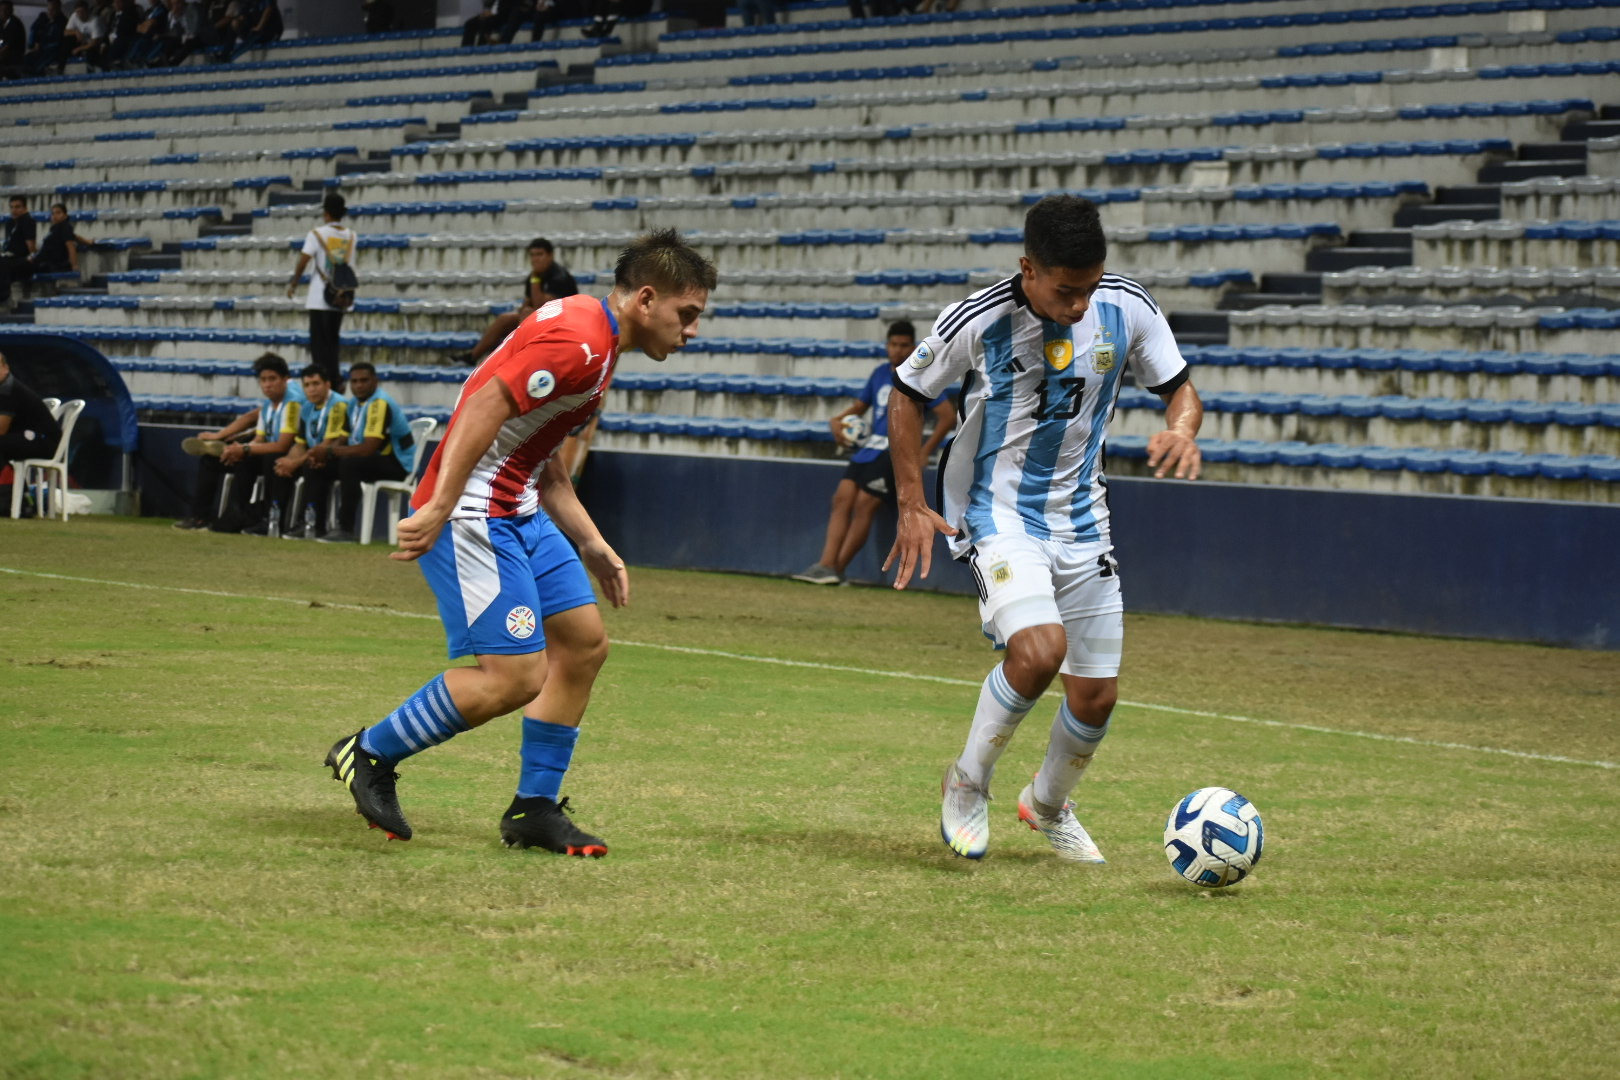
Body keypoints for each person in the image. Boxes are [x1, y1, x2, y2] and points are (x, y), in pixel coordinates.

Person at [320, 228, 715, 856]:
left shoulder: (598, 338)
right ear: (645, 299)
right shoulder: (583, 341)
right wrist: (442, 505)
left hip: (520, 502)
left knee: (583, 646)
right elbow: (482, 406)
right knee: (515, 678)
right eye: (686, 313)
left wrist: (591, 543)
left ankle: (533, 808)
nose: (693, 329)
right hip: (476, 512)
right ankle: (368, 752)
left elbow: (539, 450)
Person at [883, 194, 1203, 865]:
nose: (1081, 305)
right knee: (1037, 651)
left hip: (1085, 521)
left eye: (1089, 288)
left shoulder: (1127, 306)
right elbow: (907, 396)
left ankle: (1048, 804)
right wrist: (911, 499)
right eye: (1066, 290)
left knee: (1096, 695)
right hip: (1001, 514)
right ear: (1028, 269)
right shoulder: (978, 318)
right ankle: (969, 782)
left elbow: (1180, 387)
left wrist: (1181, 428)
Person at [792, 319, 956, 586]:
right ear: (886, 346)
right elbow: (859, 406)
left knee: (864, 504)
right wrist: (838, 420)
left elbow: (947, 416)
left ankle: (838, 569)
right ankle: (825, 565)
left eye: (904, 345)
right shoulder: (880, 373)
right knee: (841, 499)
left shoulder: (919, 374)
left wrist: (924, 451)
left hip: (894, 452)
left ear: (913, 347)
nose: (898, 350)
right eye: (893, 344)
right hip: (868, 449)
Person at [173, 352, 304, 532]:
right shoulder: (268, 406)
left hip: (288, 453)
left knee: (258, 458)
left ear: (285, 379)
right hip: (267, 448)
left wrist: (243, 447)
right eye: (263, 380)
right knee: (224, 459)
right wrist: (241, 448)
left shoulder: (293, 402)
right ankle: (210, 517)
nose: (267, 384)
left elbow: (282, 444)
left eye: (272, 379)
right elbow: (259, 437)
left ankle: (255, 518)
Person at [311, 360, 412, 543]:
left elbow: (368, 449)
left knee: (350, 463)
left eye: (364, 380)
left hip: (397, 463)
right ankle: (315, 526)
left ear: (375, 381)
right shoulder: (353, 405)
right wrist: (325, 454)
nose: (358, 385)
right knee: (318, 466)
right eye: (354, 381)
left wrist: (330, 452)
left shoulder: (379, 403)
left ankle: (346, 529)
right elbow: (343, 437)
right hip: (372, 460)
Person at [451, 237, 578, 365]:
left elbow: (542, 306)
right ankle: (472, 356)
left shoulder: (559, 277)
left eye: (540, 254)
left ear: (550, 255)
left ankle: (521, 358)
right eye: (532, 255)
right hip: (541, 319)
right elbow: (528, 303)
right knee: (504, 319)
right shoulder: (535, 275)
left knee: (528, 314)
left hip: (563, 320)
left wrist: (535, 280)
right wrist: (524, 307)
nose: (535, 259)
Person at [259, 363, 348, 538]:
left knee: (313, 465)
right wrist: (288, 462)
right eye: (307, 385)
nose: (311, 389)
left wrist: (295, 462)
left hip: (336, 457)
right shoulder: (307, 407)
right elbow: (299, 443)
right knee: (276, 462)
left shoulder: (338, 405)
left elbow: (327, 444)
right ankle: (275, 521)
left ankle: (312, 524)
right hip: (314, 453)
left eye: (316, 384)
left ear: (327, 384)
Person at [285, 193, 355, 388]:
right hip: (341, 293)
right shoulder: (351, 235)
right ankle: (335, 379)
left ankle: (323, 381)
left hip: (320, 294)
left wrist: (294, 283)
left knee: (319, 344)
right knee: (333, 341)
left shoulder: (317, 234)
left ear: (326, 213)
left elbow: (304, 260)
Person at [0, 351, 63, 516]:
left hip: (45, 442)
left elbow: (1, 429)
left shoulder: (8, 390)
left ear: (6, 368)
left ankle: (11, 502)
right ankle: (18, 500)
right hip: (27, 438)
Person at [31, 204, 92, 277]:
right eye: (53, 213)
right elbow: (74, 236)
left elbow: (70, 246)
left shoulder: (65, 226)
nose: (55, 216)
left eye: (58, 213)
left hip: (55, 265)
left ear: (65, 215)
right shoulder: (56, 228)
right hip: (45, 262)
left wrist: (74, 266)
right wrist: (87, 241)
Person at [1, 195, 37, 308]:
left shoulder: (28, 221)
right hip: (9, 257)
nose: (14, 210)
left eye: (18, 207)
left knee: (3, 265)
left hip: (23, 259)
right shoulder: (10, 223)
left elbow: (31, 247)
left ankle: (3, 299)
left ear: (25, 208)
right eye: (12, 207)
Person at [24, 0, 67, 73]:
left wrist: (41, 47)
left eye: (53, 10)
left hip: (52, 51)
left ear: (58, 9)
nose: (50, 12)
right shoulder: (43, 18)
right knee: (27, 60)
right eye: (48, 9)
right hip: (40, 50)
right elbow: (34, 29)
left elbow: (58, 41)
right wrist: (33, 44)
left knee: (39, 66)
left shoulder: (62, 22)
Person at [0, 1, 26, 76]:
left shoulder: (15, 25)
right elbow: (1, 42)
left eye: (5, 10)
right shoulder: (2, 24)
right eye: (1, 10)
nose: (3, 13)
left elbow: (6, 48)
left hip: (14, 61)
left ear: (11, 10)